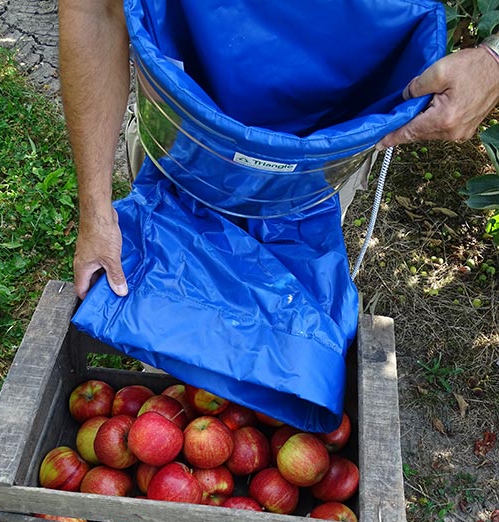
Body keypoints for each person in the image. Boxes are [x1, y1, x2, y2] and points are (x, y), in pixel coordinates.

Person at [58, 0, 499, 301]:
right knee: (173, 330)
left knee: (274, 327)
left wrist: (493, 60)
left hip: (315, 171)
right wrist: (95, 211)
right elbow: (94, 9)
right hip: (182, 148)